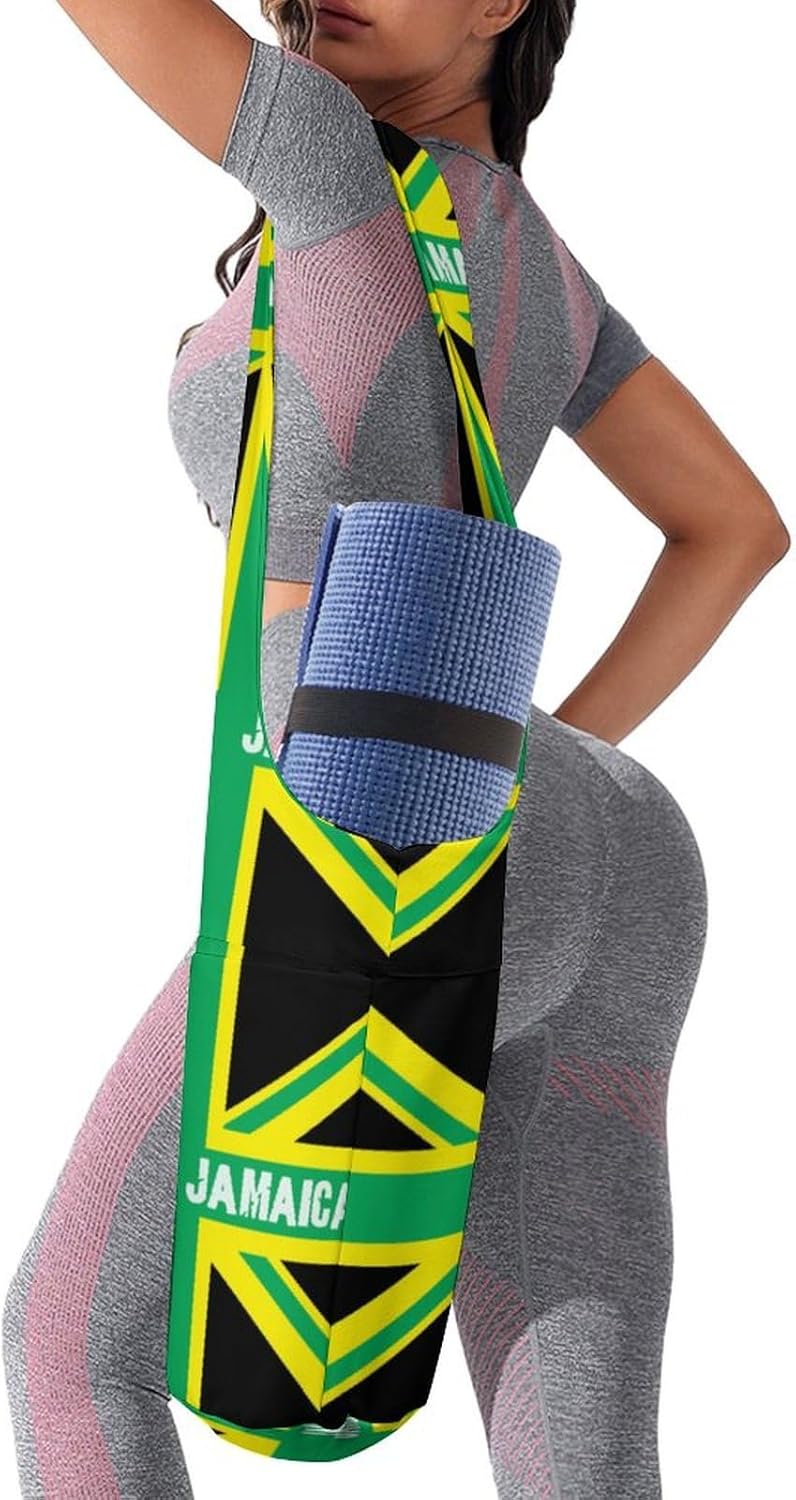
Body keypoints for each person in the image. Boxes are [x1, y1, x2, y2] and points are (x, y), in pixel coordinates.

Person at [2, 1, 789, 1496]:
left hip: (376, 816)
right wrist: (517, 761)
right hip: (620, 846)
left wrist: (465, 786)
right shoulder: (542, 263)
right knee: (575, 1401)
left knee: (69, 1335)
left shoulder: (329, 166)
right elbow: (737, 528)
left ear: (505, 4)